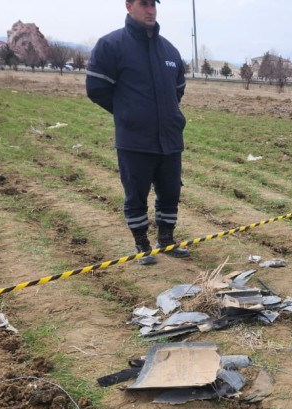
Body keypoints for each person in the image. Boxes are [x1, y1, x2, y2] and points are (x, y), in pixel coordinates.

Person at [86, 0, 189, 265]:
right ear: (129, 6)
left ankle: (166, 240)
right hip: (135, 141)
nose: (150, 9)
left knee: (170, 193)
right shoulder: (111, 46)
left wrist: (165, 115)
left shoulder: (170, 50)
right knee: (136, 195)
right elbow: (97, 90)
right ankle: (141, 245)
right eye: (144, 4)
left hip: (169, 138)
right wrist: (129, 113)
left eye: (153, 4)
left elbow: (177, 89)